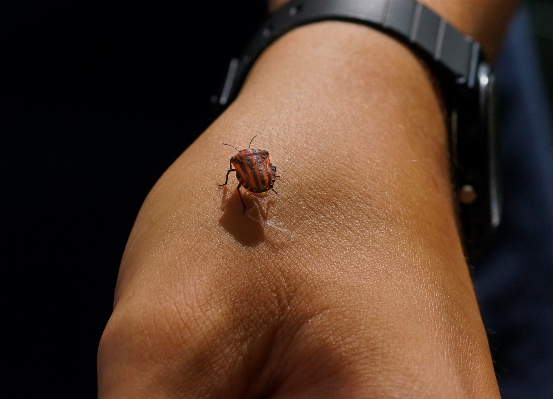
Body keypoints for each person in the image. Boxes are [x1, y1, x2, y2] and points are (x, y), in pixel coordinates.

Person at [97, 0, 521, 397]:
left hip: (429, 62)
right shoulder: (250, 164)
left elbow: (251, 174)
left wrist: (367, 64)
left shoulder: (245, 168)